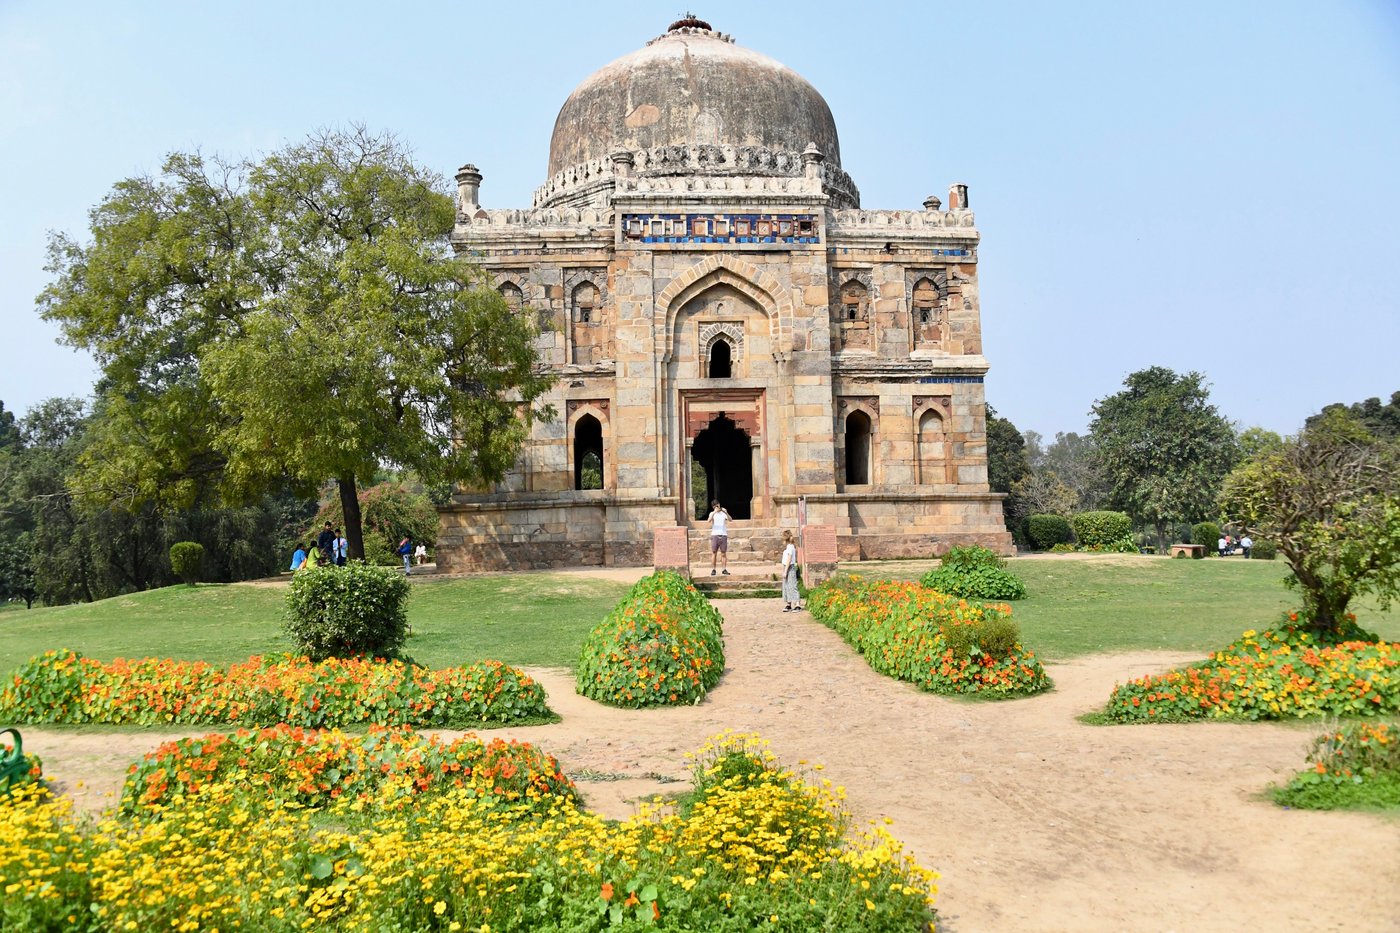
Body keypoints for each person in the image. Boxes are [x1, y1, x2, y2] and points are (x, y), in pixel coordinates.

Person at [780, 529, 800, 612]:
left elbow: (789, 559)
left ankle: (797, 605)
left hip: (790, 568)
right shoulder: (789, 547)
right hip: (787, 567)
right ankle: (789, 604)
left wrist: (785, 571)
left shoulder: (790, 547)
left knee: (792, 586)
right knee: (787, 586)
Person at [708, 500, 730, 575]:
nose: (716, 506)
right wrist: (714, 512)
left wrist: (726, 512)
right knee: (714, 552)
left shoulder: (723, 514)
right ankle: (713, 569)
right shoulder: (712, 513)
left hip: (723, 534)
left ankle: (724, 569)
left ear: (719, 504)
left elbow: (730, 519)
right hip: (715, 534)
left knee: (723, 553)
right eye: (714, 505)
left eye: (717, 505)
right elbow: (708, 521)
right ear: (713, 507)